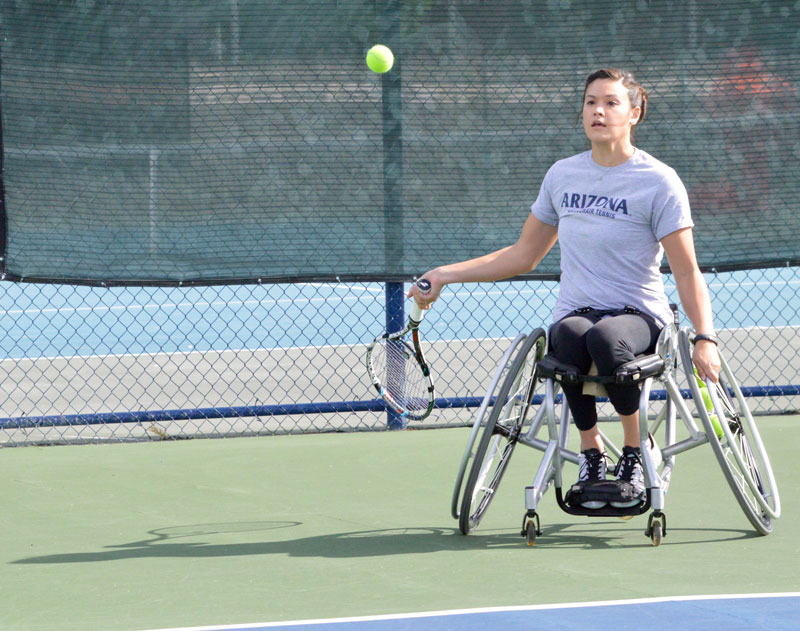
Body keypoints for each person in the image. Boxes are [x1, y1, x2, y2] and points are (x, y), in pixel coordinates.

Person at [409, 68, 721, 509]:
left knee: (604, 338)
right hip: (579, 310)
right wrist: (444, 273)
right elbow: (523, 254)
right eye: (591, 101)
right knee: (568, 337)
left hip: (638, 317)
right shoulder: (563, 176)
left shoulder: (659, 181)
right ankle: (591, 452)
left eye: (611, 103)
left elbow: (686, 270)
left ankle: (636, 450)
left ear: (634, 113)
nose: (598, 111)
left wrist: (705, 336)